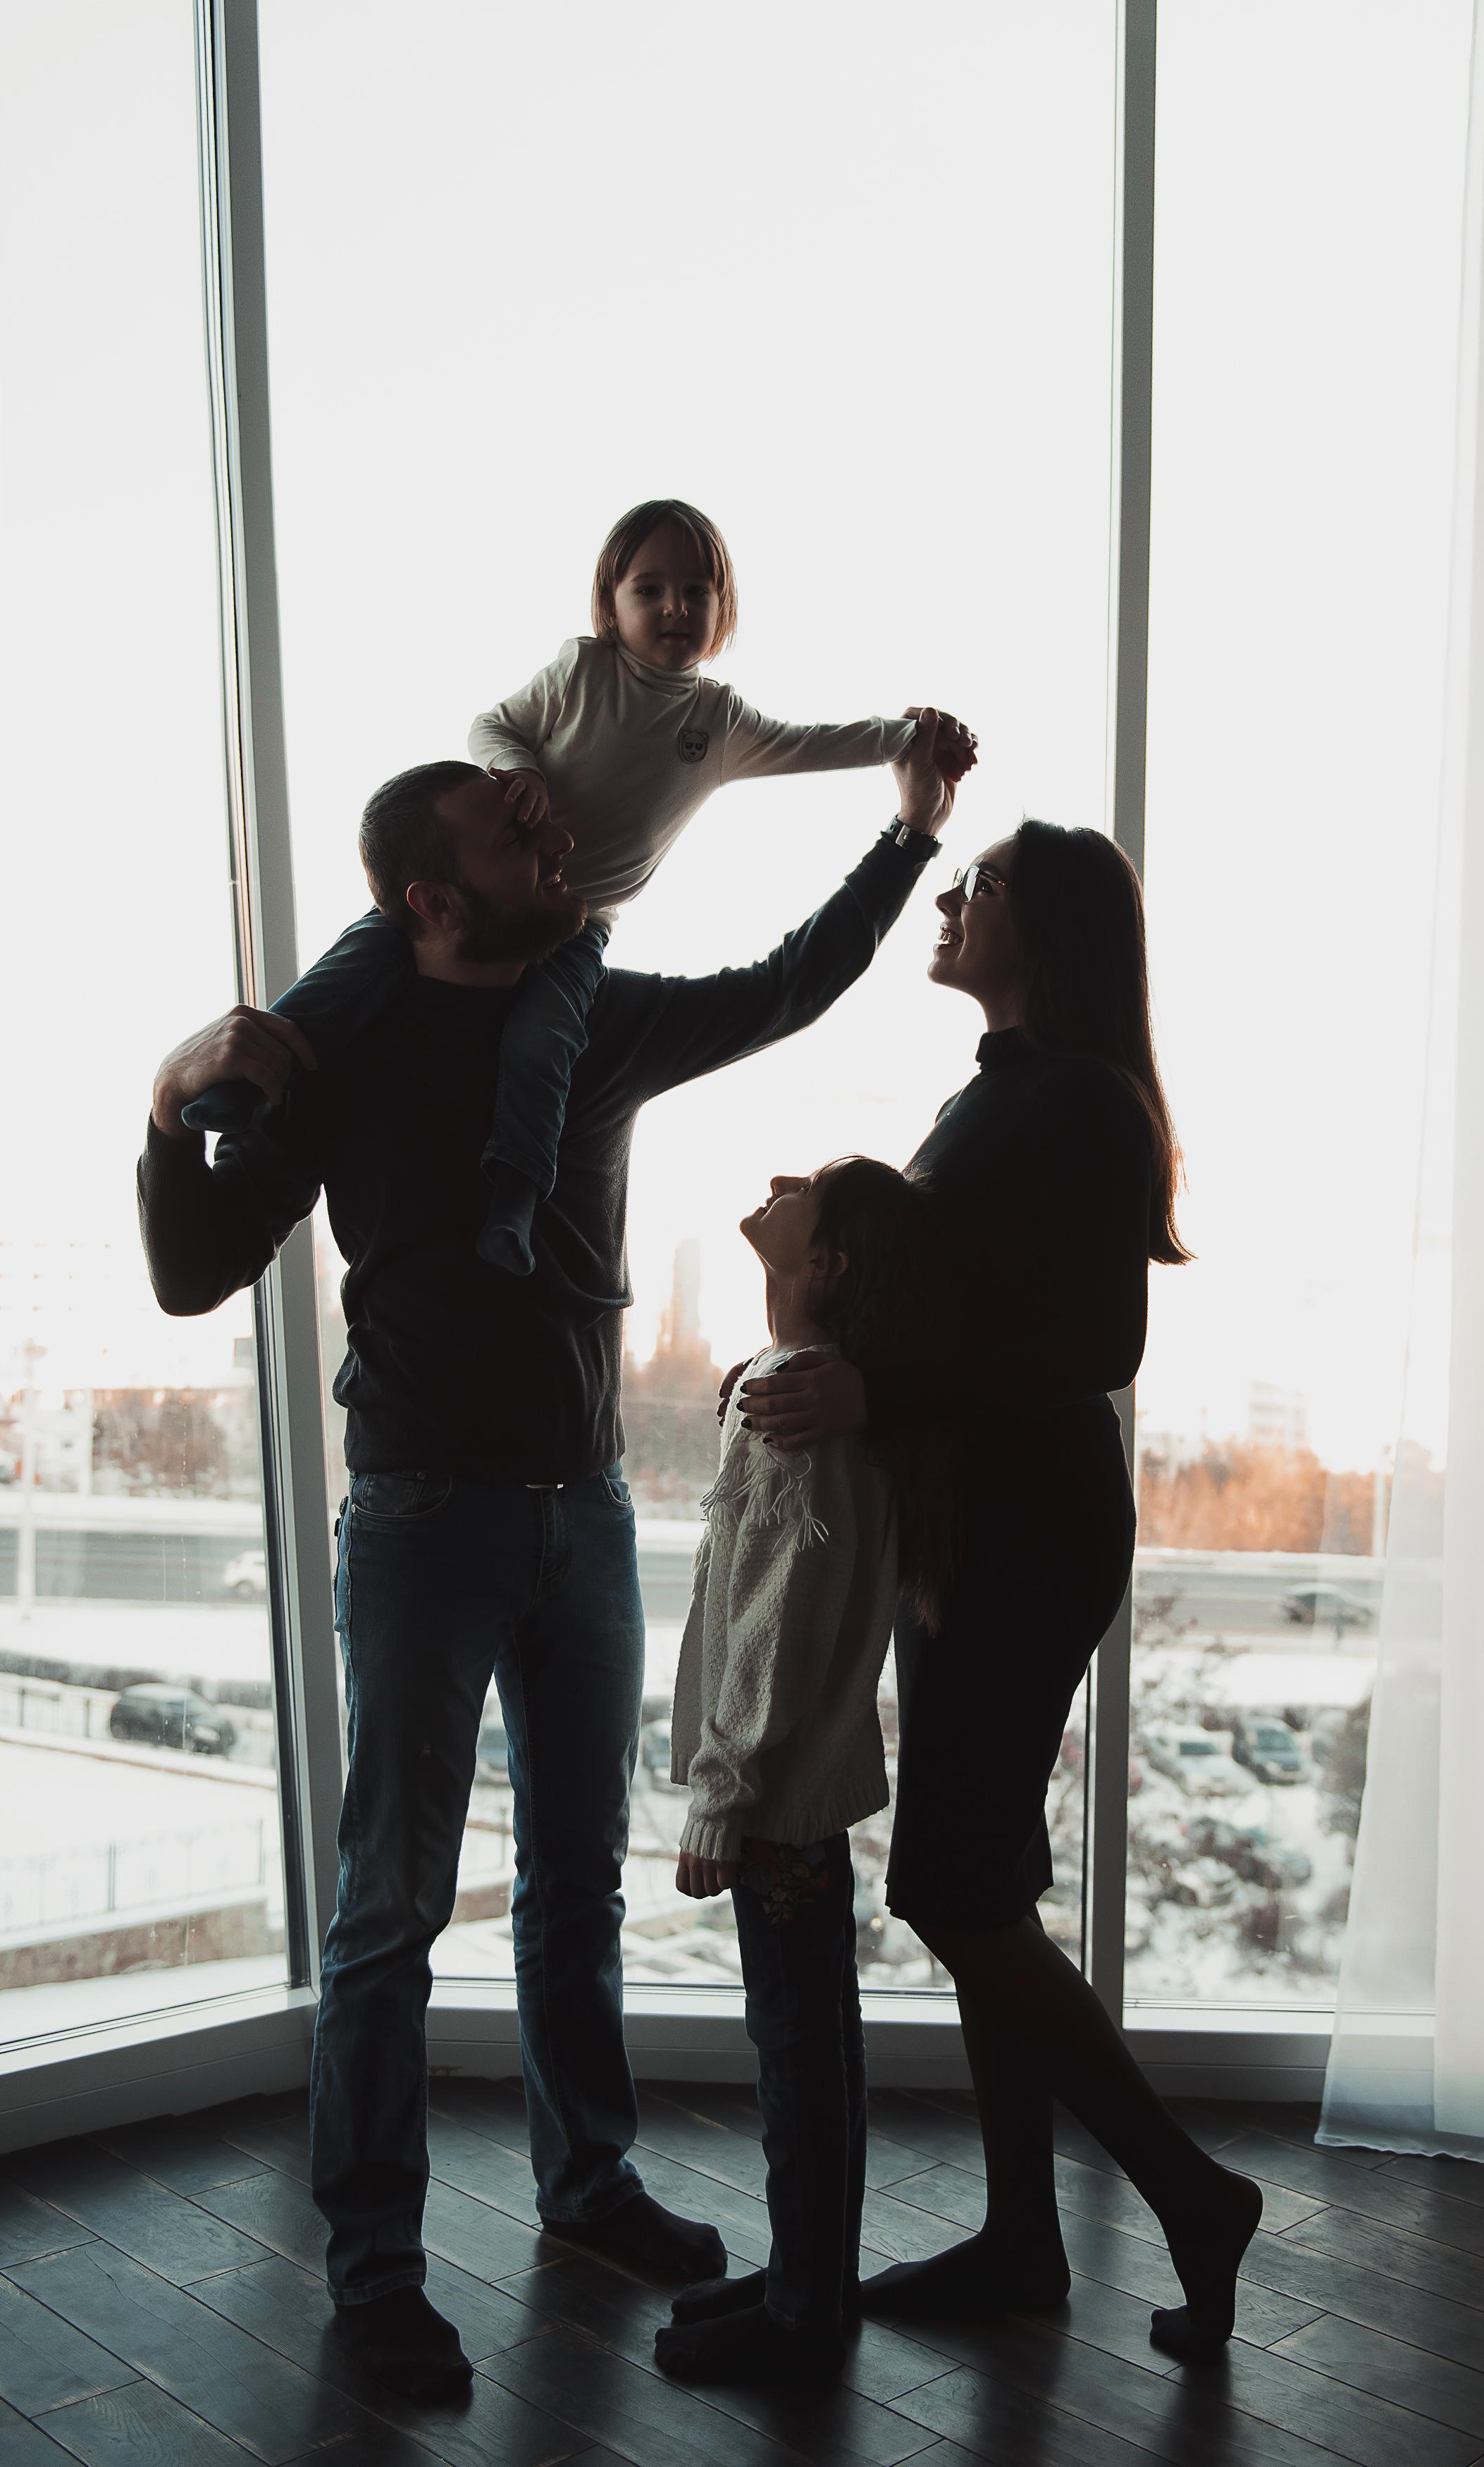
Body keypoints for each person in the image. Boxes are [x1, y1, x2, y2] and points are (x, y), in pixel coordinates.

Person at [138, 722, 958, 2401]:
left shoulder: (593, 1020)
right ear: (432, 900)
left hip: (580, 1514)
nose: (555, 843)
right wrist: (167, 1107)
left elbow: (790, 983)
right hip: (420, 1520)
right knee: (390, 1911)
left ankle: (588, 2185)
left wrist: (909, 832)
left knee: (576, 1881)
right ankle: (376, 2272)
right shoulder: (350, 1047)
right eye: (514, 838)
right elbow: (193, 1268)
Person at [738, 822, 1265, 2362]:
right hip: (971, 1529)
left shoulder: (1081, 1100)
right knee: (982, 1882)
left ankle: (1194, 2196)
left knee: (949, 1890)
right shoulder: (999, 1094)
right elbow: (955, 1305)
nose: (951, 898)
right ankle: (1023, 2239)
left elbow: (1100, 1345)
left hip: (1027, 1536)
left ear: (1053, 927)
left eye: (981, 883)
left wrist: (873, 1386)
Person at [183, 498, 975, 1276]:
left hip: (581, 931)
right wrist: (172, 1108)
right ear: (610, 605)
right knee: (327, 989)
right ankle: (231, 1091)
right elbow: (492, 726)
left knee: (543, 1046)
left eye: (697, 591)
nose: (675, 607)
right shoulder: (582, 672)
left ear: (723, 607)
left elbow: (815, 760)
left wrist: (913, 747)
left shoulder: (719, 723)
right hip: (414, 970)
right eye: (650, 589)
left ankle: (515, 1199)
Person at [653, 1156, 947, 2389]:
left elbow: (772, 1621)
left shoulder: (796, 1404)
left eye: (809, 1187)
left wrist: (721, 1795)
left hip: (775, 1792)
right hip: (801, 1782)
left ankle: (800, 2316)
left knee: (794, 2049)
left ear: (824, 1263)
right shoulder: (802, 1389)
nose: (780, 1181)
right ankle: (806, 2283)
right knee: (816, 2035)